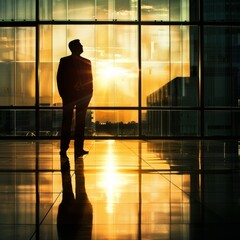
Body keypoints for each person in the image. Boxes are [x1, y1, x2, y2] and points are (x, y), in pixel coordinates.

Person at [57, 39, 93, 158]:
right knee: (69, 122)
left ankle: (76, 148)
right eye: (80, 45)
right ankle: (65, 148)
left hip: (81, 97)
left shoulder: (85, 62)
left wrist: (89, 94)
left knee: (77, 123)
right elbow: (60, 79)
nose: (82, 46)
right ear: (75, 48)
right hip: (70, 96)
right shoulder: (65, 61)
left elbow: (90, 80)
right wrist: (63, 94)